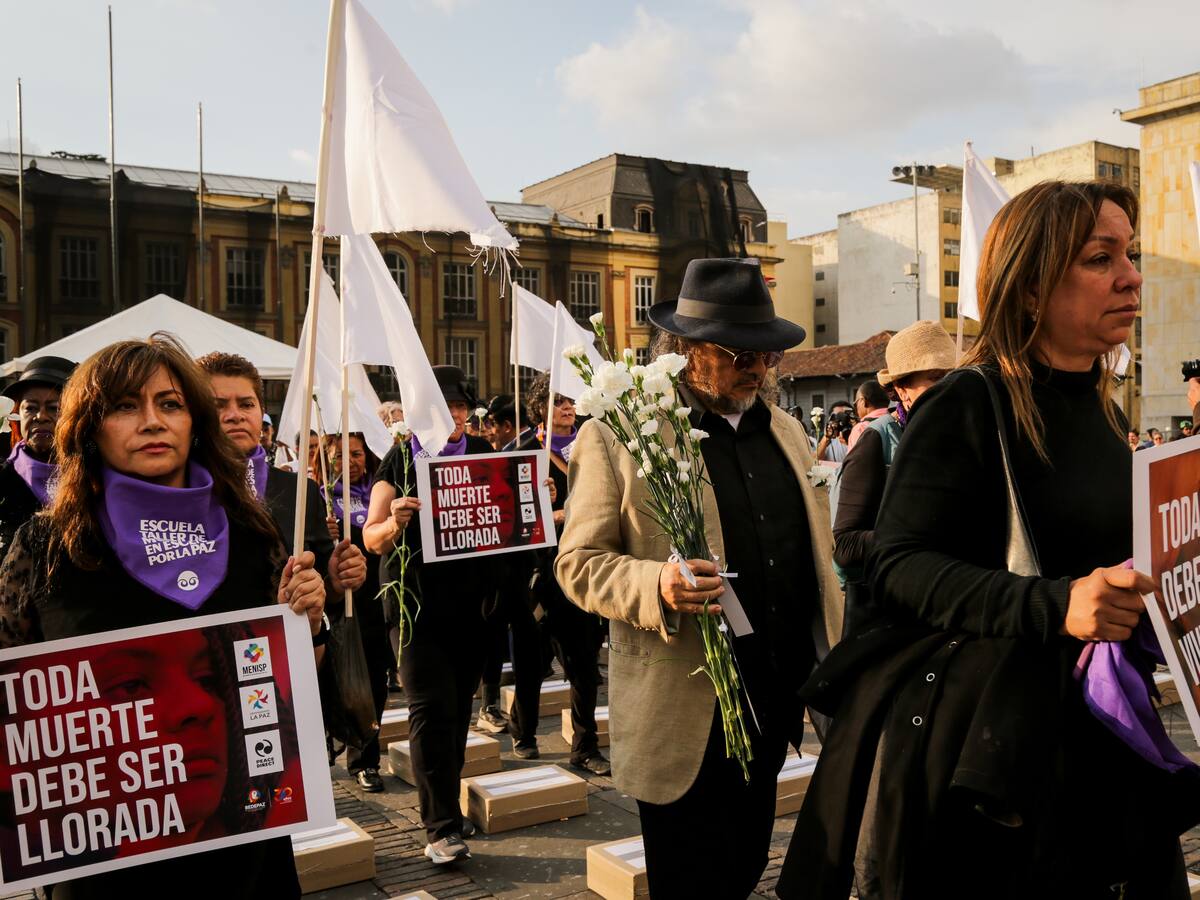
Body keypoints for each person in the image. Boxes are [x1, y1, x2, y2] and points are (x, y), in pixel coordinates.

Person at [779, 181, 1200, 900]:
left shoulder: (1101, 407)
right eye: (1102, 258)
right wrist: (1055, 604)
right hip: (1000, 760)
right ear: (1031, 288)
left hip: (1099, 730)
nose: (1131, 275)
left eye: (1128, 253)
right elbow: (900, 564)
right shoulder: (969, 401)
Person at [556, 257, 843, 899]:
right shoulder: (621, 435)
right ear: (685, 349)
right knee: (690, 881)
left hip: (775, 701)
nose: (758, 368)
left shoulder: (792, 434)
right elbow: (576, 566)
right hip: (686, 707)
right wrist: (658, 583)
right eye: (739, 353)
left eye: (766, 355)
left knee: (744, 864)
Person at [0, 334, 326, 897]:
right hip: (106, 864)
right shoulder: (45, 548)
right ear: (89, 427)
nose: (152, 421)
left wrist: (311, 623)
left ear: (194, 422)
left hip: (244, 851)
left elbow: (298, 678)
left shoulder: (253, 536)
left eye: (170, 404)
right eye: (126, 405)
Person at [363, 365, 493, 865]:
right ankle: (438, 827)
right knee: (429, 710)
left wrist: (537, 504)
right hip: (414, 609)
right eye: (444, 407)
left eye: (460, 406)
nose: (454, 415)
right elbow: (372, 538)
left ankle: (447, 809)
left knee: (459, 710)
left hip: (471, 607)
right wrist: (393, 522)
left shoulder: (484, 456)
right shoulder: (398, 462)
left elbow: (511, 520)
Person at [196, 353, 365, 604]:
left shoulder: (300, 491)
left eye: (246, 404)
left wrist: (336, 582)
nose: (235, 415)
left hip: (281, 640)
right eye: (219, 405)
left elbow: (321, 597)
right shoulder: (177, 489)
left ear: (261, 413)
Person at [832, 321, 955, 638]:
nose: (948, 389)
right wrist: (916, 537)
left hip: (947, 605)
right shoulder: (878, 439)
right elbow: (844, 544)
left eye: (953, 378)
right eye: (935, 378)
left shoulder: (959, 436)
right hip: (889, 613)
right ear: (901, 388)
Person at [513, 374, 610, 774]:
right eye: (558, 402)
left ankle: (585, 746)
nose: (568, 408)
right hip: (538, 573)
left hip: (581, 568)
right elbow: (509, 517)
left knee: (584, 662)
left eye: (571, 400)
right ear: (539, 410)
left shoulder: (590, 447)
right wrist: (544, 515)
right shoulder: (523, 450)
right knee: (532, 663)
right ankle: (524, 732)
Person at [322, 432, 389, 792]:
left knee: (377, 682)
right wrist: (325, 530)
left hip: (380, 599)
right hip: (344, 605)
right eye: (340, 456)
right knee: (348, 682)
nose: (350, 461)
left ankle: (369, 758)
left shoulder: (379, 491)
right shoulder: (322, 499)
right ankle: (354, 756)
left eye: (357, 454)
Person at [0, 356, 76, 556]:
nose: (40, 417)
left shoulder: (95, 475)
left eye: (54, 408)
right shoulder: (6, 477)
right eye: (30, 408)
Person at [846, 380, 891, 450]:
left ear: (863, 401)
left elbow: (855, 460)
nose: (856, 408)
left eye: (855, 403)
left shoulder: (860, 428)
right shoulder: (898, 419)